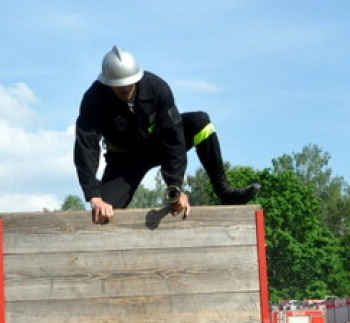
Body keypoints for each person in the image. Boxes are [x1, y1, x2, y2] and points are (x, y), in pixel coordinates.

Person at [74, 46, 261, 224]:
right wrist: (94, 195)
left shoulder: (157, 87)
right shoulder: (93, 98)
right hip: (124, 160)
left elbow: (174, 138)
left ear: (138, 78)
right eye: (119, 86)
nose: (125, 89)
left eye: (129, 84)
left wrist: (176, 187)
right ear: (107, 82)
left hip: (159, 146)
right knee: (103, 214)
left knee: (200, 122)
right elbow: (86, 146)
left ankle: (224, 191)